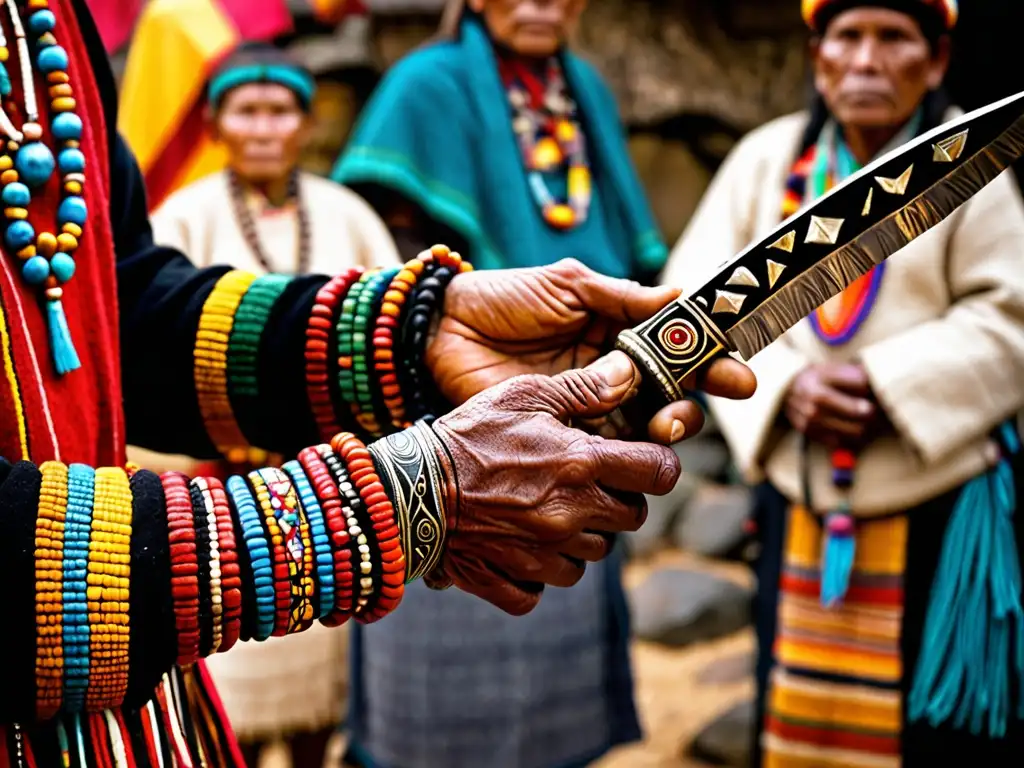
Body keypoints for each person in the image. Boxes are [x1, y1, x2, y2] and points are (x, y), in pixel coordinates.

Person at [0, 1, 756, 767]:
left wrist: (411, 335)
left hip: (133, 718)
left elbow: (115, 300)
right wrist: (390, 501)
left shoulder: (45, 21)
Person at [662, 0, 1024, 764]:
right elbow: (688, 302)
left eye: (893, 38)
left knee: (934, 735)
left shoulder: (969, 168)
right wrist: (787, 382)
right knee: (790, 708)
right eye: (847, 37)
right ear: (817, 56)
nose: (865, 60)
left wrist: (886, 383)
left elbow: (1009, 319)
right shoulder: (765, 163)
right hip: (797, 493)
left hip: (933, 497)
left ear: (935, 61)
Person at [333, 2, 668, 765]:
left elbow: (621, 240)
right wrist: (460, 319)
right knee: (447, 640)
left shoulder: (580, 86)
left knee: (561, 597)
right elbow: (391, 259)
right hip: (447, 399)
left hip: (580, 392)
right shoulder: (424, 84)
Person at [145, 43, 402, 768]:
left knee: (322, 676)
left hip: (326, 486)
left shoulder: (345, 213)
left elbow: (387, 325)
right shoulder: (183, 218)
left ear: (306, 121)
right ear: (217, 123)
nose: (263, 127)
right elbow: (153, 346)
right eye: (246, 110)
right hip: (217, 498)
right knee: (226, 676)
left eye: (279, 110)